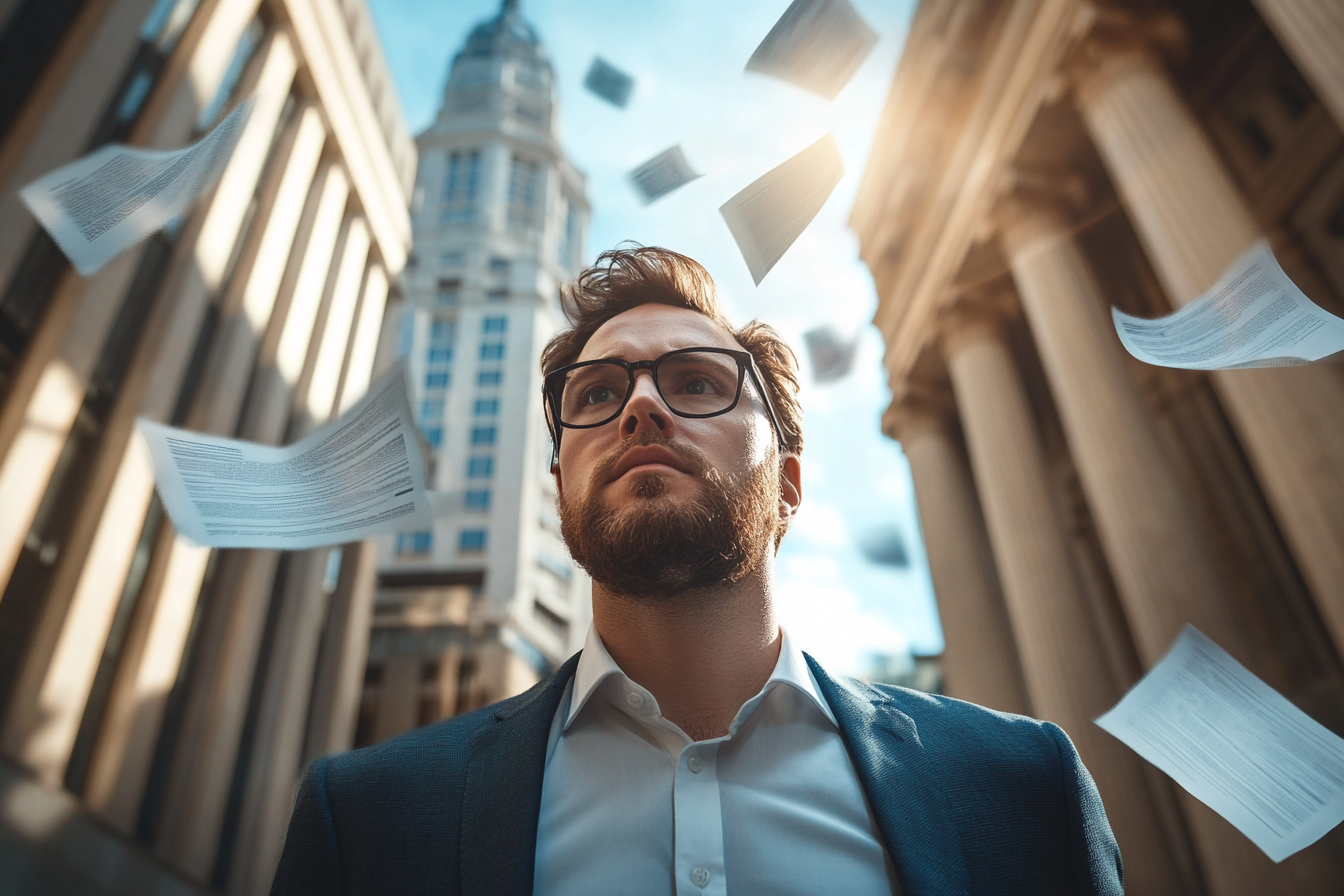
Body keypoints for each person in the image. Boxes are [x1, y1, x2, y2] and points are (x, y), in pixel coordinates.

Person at [271, 246, 1123, 896]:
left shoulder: (1022, 786)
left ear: (787, 484)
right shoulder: (368, 820)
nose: (640, 406)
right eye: (596, 395)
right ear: (559, 483)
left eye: (697, 382)